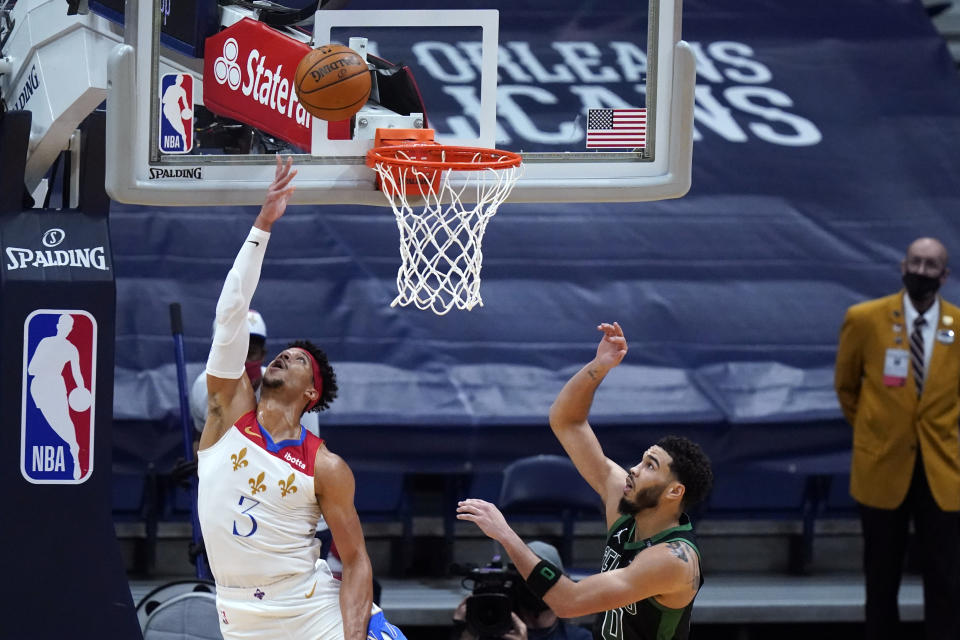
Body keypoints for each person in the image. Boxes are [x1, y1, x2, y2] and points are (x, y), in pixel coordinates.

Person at [196, 156, 405, 640]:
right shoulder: (227, 413)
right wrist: (262, 226)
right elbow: (230, 316)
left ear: (311, 392)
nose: (282, 357)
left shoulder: (326, 466)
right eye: (281, 354)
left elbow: (355, 561)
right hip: (240, 617)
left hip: (312, 611)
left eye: (296, 360)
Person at [458, 322, 713, 640]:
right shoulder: (624, 506)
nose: (633, 469)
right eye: (641, 459)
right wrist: (599, 367)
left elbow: (569, 602)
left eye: (650, 466)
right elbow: (566, 422)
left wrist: (506, 536)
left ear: (675, 491)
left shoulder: (674, 559)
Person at [834, 236, 960, 640]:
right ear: (902, 266)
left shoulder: (958, 326)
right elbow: (846, 386)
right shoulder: (866, 318)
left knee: (946, 578)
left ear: (944, 275)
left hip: (944, 472)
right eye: (915, 262)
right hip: (881, 467)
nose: (921, 271)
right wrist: (878, 431)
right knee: (881, 577)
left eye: (930, 265)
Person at [450, 541, 592, 640]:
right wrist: (464, 634)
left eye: (542, 579)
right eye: (527, 577)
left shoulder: (579, 637)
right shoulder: (490, 632)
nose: (535, 587)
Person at [27, 313, 89, 480]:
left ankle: (75, 455)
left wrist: (82, 389)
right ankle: (72, 448)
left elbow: (77, 373)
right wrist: (47, 360)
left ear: (70, 329)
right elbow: (31, 369)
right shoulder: (45, 342)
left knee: (64, 421)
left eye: (69, 327)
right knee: (45, 422)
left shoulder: (71, 349)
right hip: (39, 386)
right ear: (58, 326)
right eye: (63, 325)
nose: (65, 329)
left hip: (56, 385)